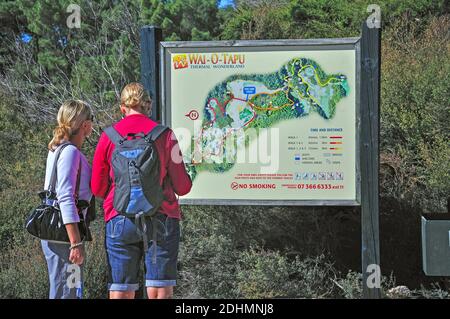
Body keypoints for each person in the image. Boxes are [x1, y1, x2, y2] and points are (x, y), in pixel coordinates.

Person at [91, 83, 192, 299]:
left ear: (122, 108)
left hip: (119, 218)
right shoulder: (166, 135)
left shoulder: (108, 137)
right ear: (148, 104)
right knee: (159, 287)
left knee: (120, 288)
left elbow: (98, 189)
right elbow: (183, 187)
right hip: (160, 218)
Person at [42, 100, 94, 299]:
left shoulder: (57, 149)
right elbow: (65, 197)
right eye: (91, 119)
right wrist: (75, 242)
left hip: (61, 231)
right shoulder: (70, 152)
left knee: (68, 289)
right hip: (65, 234)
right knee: (67, 291)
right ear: (85, 125)